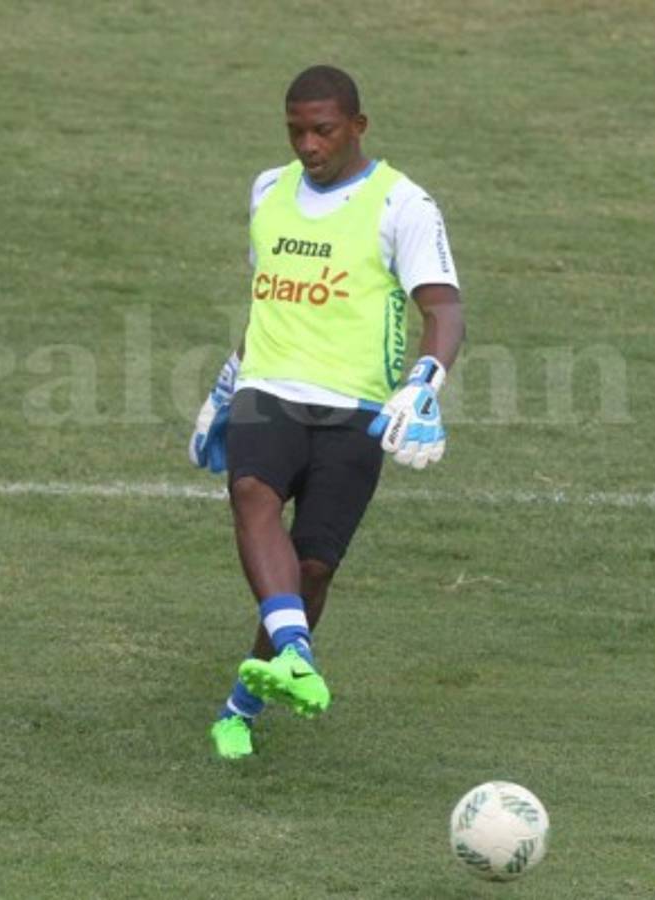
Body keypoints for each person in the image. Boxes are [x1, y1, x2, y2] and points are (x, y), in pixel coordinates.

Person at [189, 65, 465, 759]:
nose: (307, 145)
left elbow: (443, 307)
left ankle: (242, 705)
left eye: (322, 130)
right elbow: (268, 296)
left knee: (312, 566)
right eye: (295, 130)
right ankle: (293, 650)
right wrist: (226, 386)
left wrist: (424, 382)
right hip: (270, 385)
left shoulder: (401, 205)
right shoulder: (267, 189)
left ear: (357, 127)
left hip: (355, 406)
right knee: (250, 493)